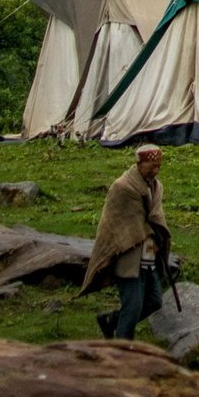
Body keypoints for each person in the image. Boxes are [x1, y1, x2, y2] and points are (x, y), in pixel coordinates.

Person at [81, 143, 171, 339]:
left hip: (149, 256)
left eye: (159, 166)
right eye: (152, 166)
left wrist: (158, 239)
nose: (156, 171)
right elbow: (116, 223)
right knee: (133, 308)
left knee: (154, 301)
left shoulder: (156, 187)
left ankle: (111, 320)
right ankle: (124, 347)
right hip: (128, 258)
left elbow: (155, 218)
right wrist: (146, 233)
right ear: (140, 164)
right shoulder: (123, 187)